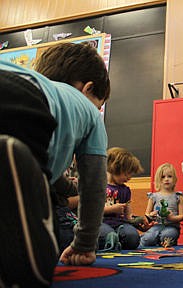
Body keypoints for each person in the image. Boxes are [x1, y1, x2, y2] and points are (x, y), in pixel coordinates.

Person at [0, 42, 111, 287]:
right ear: (88, 89)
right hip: (26, 106)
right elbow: (93, 185)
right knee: (38, 198)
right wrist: (84, 244)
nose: (97, 110)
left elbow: (52, 175)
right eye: (99, 104)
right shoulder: (87, 112)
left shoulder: (32, 76)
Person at [98, 147, 146, 250]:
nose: (130, 177)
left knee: (133, 238)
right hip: (101, 223)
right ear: (115, 167)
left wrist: (138, 221)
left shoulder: (126, 190)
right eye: (127, 173)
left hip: (120, 224)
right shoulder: (99, 186)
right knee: (108, 236)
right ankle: (112, 240)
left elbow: (128, 216)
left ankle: (116, 241)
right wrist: (111, 209)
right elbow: (92, 211)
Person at [138, 163, 183, 248]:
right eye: (163, 177)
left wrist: (172, 218)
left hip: (172, 226)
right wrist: (151, 215)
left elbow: (182, 216)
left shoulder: (178, 196)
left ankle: (162, 241)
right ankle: (148, 240)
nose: (166, 179)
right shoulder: (153, 196)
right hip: (156, 225)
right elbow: (147, 214)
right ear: (158, 180)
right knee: (149, 238)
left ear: (174, 179)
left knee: (167, 236)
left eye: (169, 176)